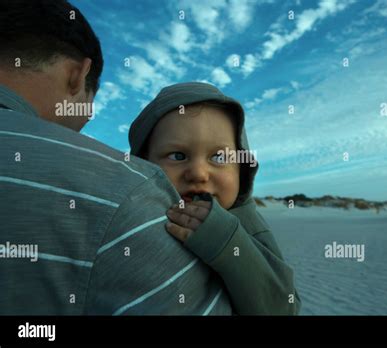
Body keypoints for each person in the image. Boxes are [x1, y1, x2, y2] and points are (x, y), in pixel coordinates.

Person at [0, 0, 235, 315]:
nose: (89, 116)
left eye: (218, 156)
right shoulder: (126, 194)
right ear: (77, 75)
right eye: (177, 154)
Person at [129, 82, 301, 314]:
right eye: (178, 155)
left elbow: (283, 307)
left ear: (241, 168)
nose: (199, 173)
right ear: (144, 164)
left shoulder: (248, 225)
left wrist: (226, 241)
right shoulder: (132, 217)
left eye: (219, 157)